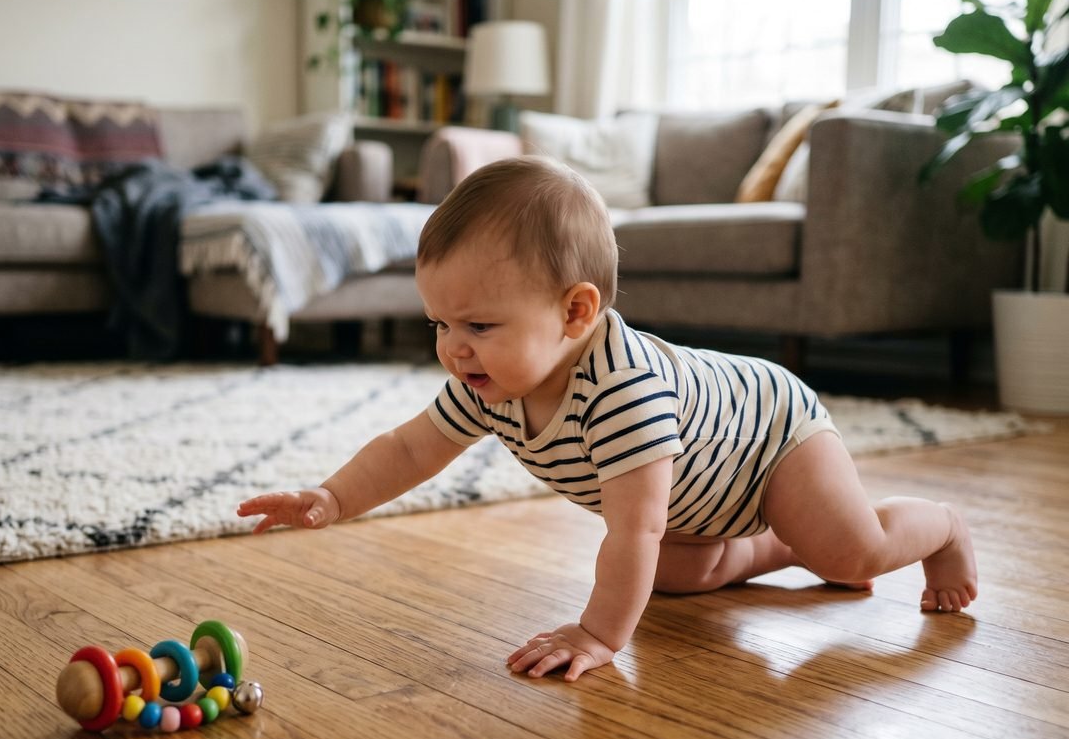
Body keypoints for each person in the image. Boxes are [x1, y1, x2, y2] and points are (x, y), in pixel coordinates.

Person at [237, 156, 978, 683]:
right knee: (678, 574)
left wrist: (596, 634)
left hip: (769, 438)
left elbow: (634, 530)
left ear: (576, 311)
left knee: (851, 554)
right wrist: (333, 496)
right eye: (440, 324)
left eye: (479, 325)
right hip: (703, 494)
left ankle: (940, 528)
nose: (454, 348)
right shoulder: (488, 381)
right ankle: (781, 545)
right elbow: (409, 449)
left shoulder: (623, 392)